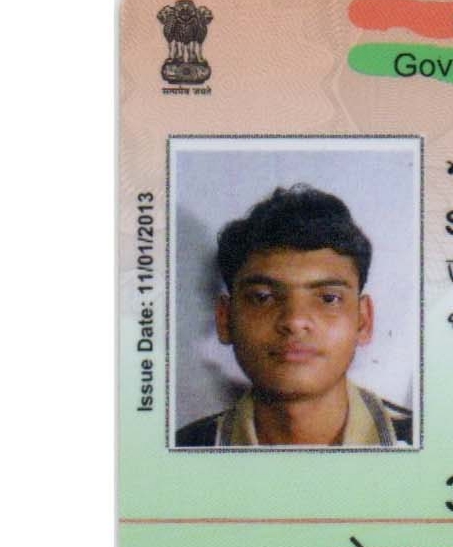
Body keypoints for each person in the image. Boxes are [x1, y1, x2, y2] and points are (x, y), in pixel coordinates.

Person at [176, 184, 413, 447]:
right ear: (225, 319)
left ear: (364, 321)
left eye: (328, 298)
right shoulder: (181, 450)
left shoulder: (428, 444)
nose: (294, 321)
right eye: (262, 297)